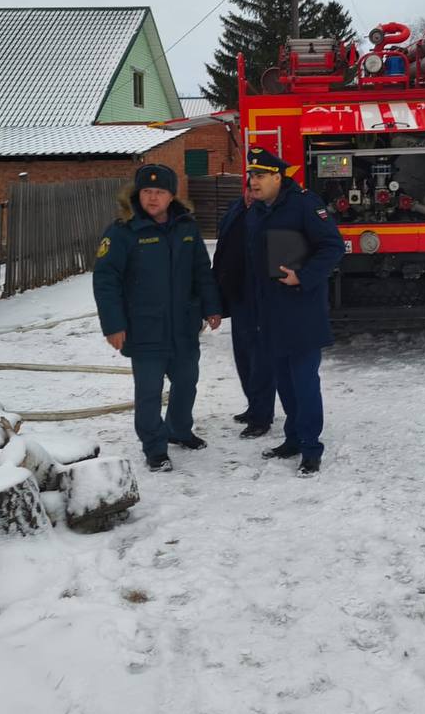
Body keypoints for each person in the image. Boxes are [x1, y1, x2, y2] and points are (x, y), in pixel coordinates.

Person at [92, 164, 223, 472]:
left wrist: (212, 307)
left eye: (160, 192)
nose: (153, 198)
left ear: (171, 195)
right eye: (147, 191)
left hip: (183, 325)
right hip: (144, 326)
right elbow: (105, 280)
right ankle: (154, 446)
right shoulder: (123, 230)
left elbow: (202, 272)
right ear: (138, 194)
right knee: (149, 391)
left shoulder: (186, 227)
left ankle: (179, 429)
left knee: (187, 381)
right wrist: (113, 325)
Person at [242, 147, 345, 477]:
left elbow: (332, 246)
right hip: (270, 312)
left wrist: (304, 275)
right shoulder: (258, 210)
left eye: (259, 175)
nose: (252, 181)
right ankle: (293, 439)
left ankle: (311, 448)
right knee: (284, 383)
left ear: (277, 177)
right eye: (250, 175)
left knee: (303, 382)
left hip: (301, 310)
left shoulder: (304, 204)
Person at [211, 190, 276, 438]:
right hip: (237, 295)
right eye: (250, 186)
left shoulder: (271, 213)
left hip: (260, 297)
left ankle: (262, 416)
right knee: (244, 357)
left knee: (261, 360)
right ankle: (253, 406)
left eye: (258, 186)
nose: (252, 192)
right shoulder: (235, 209)